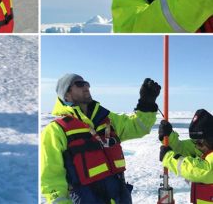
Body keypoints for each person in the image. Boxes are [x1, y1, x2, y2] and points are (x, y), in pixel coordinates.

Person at [41, 75, 161, 204]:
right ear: (67, 95)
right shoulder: (56, 130)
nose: (87, 86)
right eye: (80, 84)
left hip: (120, 197)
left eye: (86, 83)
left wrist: (146, 104)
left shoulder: (107, 119)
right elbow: (51, 180)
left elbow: (138, 127)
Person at [159, 109, 213, 204]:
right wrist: (168, 136)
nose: (196, 146)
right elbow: (181, 148)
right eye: (194, 142)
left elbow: (203, 171)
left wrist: (168, 158)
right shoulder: (204, 148)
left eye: (199, 143)